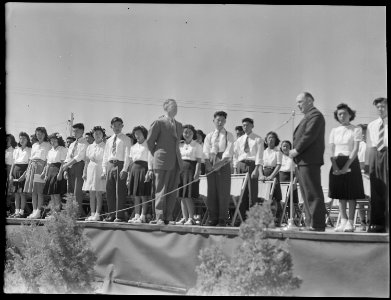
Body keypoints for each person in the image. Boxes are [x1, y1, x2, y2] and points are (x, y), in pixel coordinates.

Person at [289, 92, 326, 232]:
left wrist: (296, 150)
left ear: (310, 101)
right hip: (303, 161)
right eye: (297, 102)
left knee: (312, 192)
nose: (298, 105)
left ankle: (317, 224)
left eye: (300, 102)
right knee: (306, 194)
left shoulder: (315, 116)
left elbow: (309, 135)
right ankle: (310, 223)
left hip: (309, 160)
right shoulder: (308, 117)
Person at [328, 103, 365, 232]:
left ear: (350, 115)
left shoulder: (356, 129)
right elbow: (331, 149)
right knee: (340, 194)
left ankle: (350, 222)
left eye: (344, 113)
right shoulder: (334, 131)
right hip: (337, 162)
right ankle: (342, 221)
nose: (342, 116)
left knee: (351, 194)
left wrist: (347, 166)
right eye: (339, 114)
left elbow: (355, 149)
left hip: (351, 162)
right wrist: (335, 166)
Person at [146, 99, 183, 225]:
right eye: (173, 106)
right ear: (166, 108)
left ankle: (169, 216)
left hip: (176, 161)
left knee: (172, 190)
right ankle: (159, 216)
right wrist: (157, 154)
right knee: (161, 189)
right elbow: (150, 142)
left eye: (177, 106)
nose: (176, 108)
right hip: (161, 160)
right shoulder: (159, 122)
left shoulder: (179, 125)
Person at [203, 111, 234, 226]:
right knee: (211, 192)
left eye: (222, 120)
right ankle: (213, 218)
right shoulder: (209, 135)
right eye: (218, 120)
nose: (220, 122)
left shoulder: (228, 135)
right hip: (210, 162)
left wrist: (220, 164)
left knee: (223, 192)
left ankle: (222, 218)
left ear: (225, 121)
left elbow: (229, 151)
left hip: (223, 163)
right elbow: (205, 150)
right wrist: (207, 163)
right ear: (214, 121)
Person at [232, 117, 264, 225]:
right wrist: (236, 169)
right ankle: (241, 218)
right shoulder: (239, 140)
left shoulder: (258, 139)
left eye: (247, 125)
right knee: (241, 193)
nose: (245, 127)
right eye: (243, 125)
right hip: (241, 165)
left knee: (252, 193)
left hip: (251, 165)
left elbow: (259, 156)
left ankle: (252, 220)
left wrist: (256, 169)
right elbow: (235, 156)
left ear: (252, 126)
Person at [101, 117, 131, 222]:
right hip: (110, 165)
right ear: (111, 127)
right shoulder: (109, 140)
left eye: (119, 125)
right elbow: (105, 155)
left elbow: (128, 155)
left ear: (122, 126)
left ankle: (120, 215)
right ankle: (111, 214)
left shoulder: (126, 139)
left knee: (120, 191)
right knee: (110, 191)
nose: (117, 127)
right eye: (114, 125)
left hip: (120, 164)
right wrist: (104, 170)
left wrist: (125, 169)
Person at [366, 97, 388, 233]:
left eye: (383, 106)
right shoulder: (372, 125)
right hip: (375, 155)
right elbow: (369, 146)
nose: (380, 109)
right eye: (378, 107)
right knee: (376, 190)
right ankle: (377, 224)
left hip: (387, 153)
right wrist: (367, 164)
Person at [176, 124, 203, 225]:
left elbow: (199, 162)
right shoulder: (180, 144)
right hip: (181, 170)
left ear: (193, 134)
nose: (187, 134)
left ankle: (191, 218)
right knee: (182, 196)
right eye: (185, 132)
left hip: (191, 170)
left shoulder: (197, 145)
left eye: (190, 132)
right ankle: (184, 217)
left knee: (188, 195)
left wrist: (197, 173)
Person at [24, 127, 52, 219]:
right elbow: (31, 158)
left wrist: (45, 171)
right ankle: (34, 210)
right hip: (32, 167)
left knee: (39, 191)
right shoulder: (34, 145)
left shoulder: (48, 144)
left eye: (41, 134)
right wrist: (28, 170)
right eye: (37, 134)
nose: (39, 136)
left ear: (45, 134)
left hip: (41, 167)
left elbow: (48, 159)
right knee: (33, 191)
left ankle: (39, 211)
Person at [63, 123, 89, 218]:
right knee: (70, 190)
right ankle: (70, 212)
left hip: (79, 166)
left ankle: (77, 213)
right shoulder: (72, 144)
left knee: (77, 191)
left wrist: (67, 165)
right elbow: (67, 156)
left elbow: (80, 156)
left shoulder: (85, 143)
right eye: (73, 131)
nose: (75, 133)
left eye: (77, 131)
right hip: (70, 167)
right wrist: (65, 169)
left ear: (82, 131)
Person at [127, 126, 152, 224]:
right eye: (135, 134)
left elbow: (150, 159)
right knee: (135, 194)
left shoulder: (149, 145)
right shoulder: (133, 147)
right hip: (134, 169)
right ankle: (136, 215)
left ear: (144, 134)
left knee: (143, 194)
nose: (137, 135)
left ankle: (143, 216)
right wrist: (129, 176)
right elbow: (131, 161)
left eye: (139, 133)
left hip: (144, 169)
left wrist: (149, 171)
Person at [82, 126, 107, 221]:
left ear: (102, 135)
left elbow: (106, 160)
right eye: (95, 133)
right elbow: (87, 160)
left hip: (100, 169)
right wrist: (84, 172)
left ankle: (97, 213)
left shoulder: (105, 146)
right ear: (93, 135)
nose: (97, 135)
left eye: (99, 133)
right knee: (91, 193)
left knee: (98, 192)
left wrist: (104, 172)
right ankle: (92, 213)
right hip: (90, 169)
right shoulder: (89, 146)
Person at [42, 133, 68, 219]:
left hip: (57, 170)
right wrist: (46, 174)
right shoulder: (50, 151)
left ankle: (57, 213)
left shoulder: (62, 149)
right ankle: (53, 212)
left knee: (56, 193)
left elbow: (63, 162)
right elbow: (48, 164)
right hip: (50, 171)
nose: (52, 142)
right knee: (52, 194)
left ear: (58, 140)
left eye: (54, 140)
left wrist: (60, 173)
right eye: (51, 141)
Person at [260, 131, 283, 226]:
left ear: (276, 140)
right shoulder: (263, 152)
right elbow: (260, 164)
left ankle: (276, 220)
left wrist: (271, 176)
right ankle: (264, 219)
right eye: (269, 137)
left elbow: (278, 165)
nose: (271, 139)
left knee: (274, 198)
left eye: (273, 137)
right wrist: (261, 175)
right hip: (264, 175)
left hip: (273, 174)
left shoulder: (278, 152)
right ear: (266, 140)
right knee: (263, 198)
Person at [8, 132, 32, 218]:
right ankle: (16, 211)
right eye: (20, 138)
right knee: (16, 194)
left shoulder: (29, 150)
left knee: (22, 193)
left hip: (23, 171)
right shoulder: (16, 150)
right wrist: (10, 174)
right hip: (15, 172)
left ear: (27, 140)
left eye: (24, 139)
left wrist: (24, 175)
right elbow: (13, 164)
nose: (22, 140)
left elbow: (29, 164)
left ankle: (21, 213)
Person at [279, 140, 299, 219]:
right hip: (281, 178)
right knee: (281, 201)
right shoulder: (279, 156)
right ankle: (282, 219)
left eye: (287, 146)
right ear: (281, 147)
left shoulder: (294, 157)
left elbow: (298, 171)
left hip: (291, 179)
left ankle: (292, 219)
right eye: (284, 146)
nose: (285, 147)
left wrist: (294, 182)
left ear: (290, 147)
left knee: (291, 202)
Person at [357, 123, 369, 231]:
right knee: (360, 201)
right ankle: (362, 222)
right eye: (362, 133)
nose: (364, 135)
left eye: (365, 133)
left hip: (369, 177)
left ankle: (369, 222)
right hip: (359, 176)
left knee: (370, 201)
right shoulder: (359, 145)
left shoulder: (372, 145)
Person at [5, 134, 17, 211]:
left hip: (10, 170)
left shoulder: (14, 150)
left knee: (9, 191)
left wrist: (11, 174)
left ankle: (9, 209)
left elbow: (14, 163)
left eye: (8, 140)